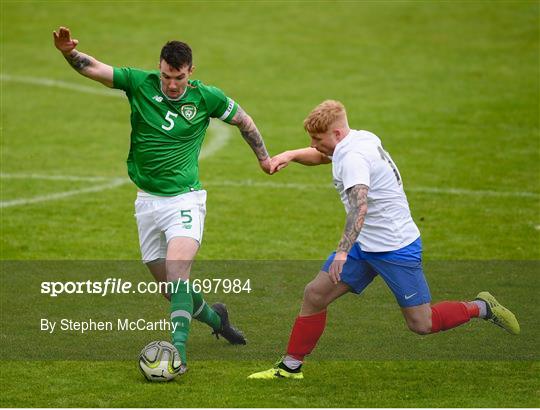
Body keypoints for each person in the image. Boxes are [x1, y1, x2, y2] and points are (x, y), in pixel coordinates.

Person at [248, 100, 520, 379]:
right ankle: (291, 367)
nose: (313, 144)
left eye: (317, 138)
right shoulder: (359, 138)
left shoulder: (354, 159)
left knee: (421, 323)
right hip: (365, 244)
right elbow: (323, 156)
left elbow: (359, 208)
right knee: (315, 294)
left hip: (395, 248)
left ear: (337, 134)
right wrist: (291, 155)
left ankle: (481, 307)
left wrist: (342, 253)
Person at [53, 27, 272, 372]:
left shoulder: (205, 98)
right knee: (171, 291)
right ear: (159, 68)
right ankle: (218, 320)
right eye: (167, 76)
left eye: (179, 78)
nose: (172, 84)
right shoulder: (140, 83)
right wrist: (68, 52)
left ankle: (178, 354)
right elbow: (93, 67)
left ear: (191, 72)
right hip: (147, 202)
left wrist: (263, 157)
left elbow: (244, 120)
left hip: (184, 201)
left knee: (178, 272)